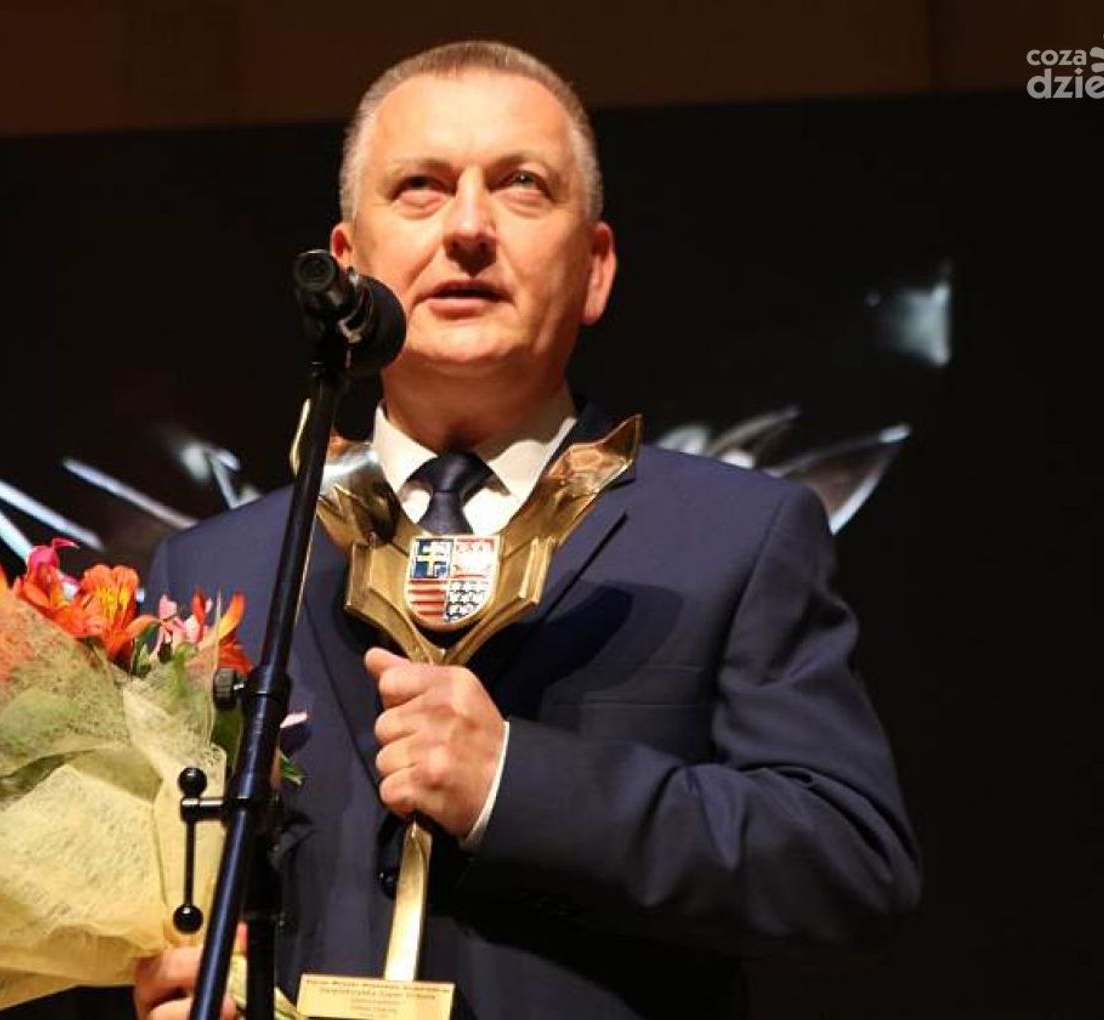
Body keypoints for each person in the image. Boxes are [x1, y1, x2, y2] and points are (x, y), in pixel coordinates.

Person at [134, 39, 919, 1020]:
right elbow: (154, 897)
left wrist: (517, 783)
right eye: (420, 188)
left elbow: (849, 861)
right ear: (350, 262)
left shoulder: (736, 537)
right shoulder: (215, 570)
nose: (468, 228)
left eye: (522, 186)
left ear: (595, 269)